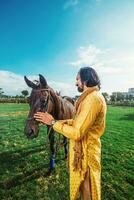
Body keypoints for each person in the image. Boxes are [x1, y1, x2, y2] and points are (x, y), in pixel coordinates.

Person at [34, 66, 107, 200]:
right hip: (83, 155)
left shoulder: (92, 99)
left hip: (87, 159)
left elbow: (77, 132)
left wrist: (52, 123)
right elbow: (78, 122)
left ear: (86, 79)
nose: (76, 83)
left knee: (88, 195)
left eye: (77, 79)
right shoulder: (89, 97)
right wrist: (59, 121)